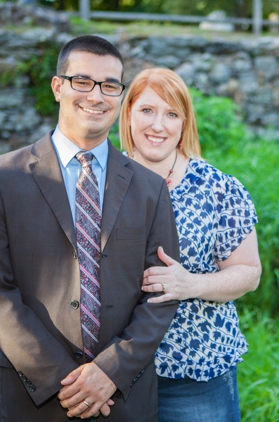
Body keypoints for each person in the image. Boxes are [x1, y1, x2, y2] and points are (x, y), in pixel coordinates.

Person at [0, 36, 180, 421]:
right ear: (58, 86)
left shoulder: (150, 188)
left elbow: (162, 293)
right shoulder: (4, 178)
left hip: (122, 399)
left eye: (110, 85)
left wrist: (109, 371)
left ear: (120, 94)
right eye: (82, 81)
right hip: (30, 395)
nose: (96, 96)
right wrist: (65, 379)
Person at [120, 67, 261, 421]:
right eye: (147, 110)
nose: (158, 125)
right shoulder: (102, 182)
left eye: (171, 114)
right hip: (116, 368)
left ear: (184, 123)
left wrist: (191, 284)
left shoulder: (219, 188)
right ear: (129, 113)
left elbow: (249, 273)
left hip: (195, 373)